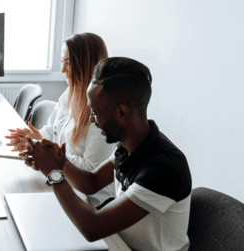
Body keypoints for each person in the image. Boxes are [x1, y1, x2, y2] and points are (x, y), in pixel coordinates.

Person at [22, 57, 192, 251]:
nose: (93, 120)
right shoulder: (130, 143)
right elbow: (92, 183)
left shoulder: (164, 168)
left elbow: (92, 228)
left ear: (121, 113)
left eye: (95, 112)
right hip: (118, 241)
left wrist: (54, 173)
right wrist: (61, 163)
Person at [6, 33, 115, 208]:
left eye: (68, 63)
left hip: (91, 201)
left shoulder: (101, 112)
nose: (63, 70)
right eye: (61, 62)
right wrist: (38, 137)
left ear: (86, 65)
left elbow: (91, 171)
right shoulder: (70, 93)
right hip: (63, 182)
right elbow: (52, 129)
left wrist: (51, 155)